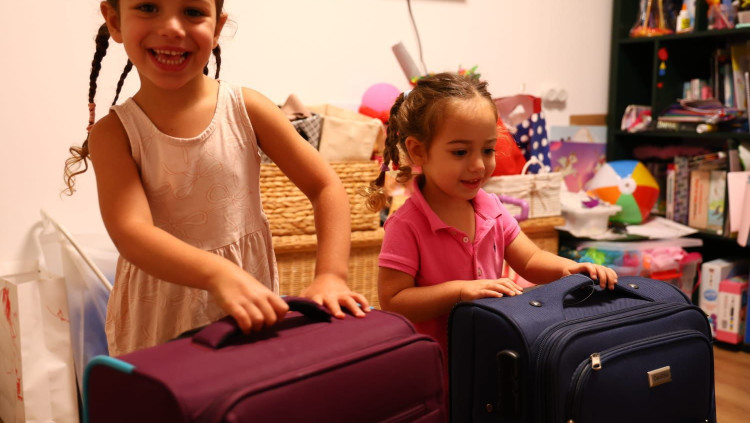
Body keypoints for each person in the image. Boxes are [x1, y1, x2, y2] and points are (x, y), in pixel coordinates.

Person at [63, 0, 368, 356]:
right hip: (159, 316)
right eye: (148, 7)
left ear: (217, 27)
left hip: (247, 305)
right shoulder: (114, 133)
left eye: (192, 11)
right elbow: (132, 233)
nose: (172, 27)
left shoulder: (247, 107)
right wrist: (218, 273)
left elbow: (325, 186)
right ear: (114, 22)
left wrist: (331, 275)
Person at [364, 72, 617, 359]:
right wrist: (460, 291)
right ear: (418, 151)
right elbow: (394, 301)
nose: (478, 165)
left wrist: (570, 269)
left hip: (490, 353)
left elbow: (530, 260)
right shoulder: (406, 224)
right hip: (435, 362)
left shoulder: (491, 208)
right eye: (460, 152)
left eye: (487, 150)